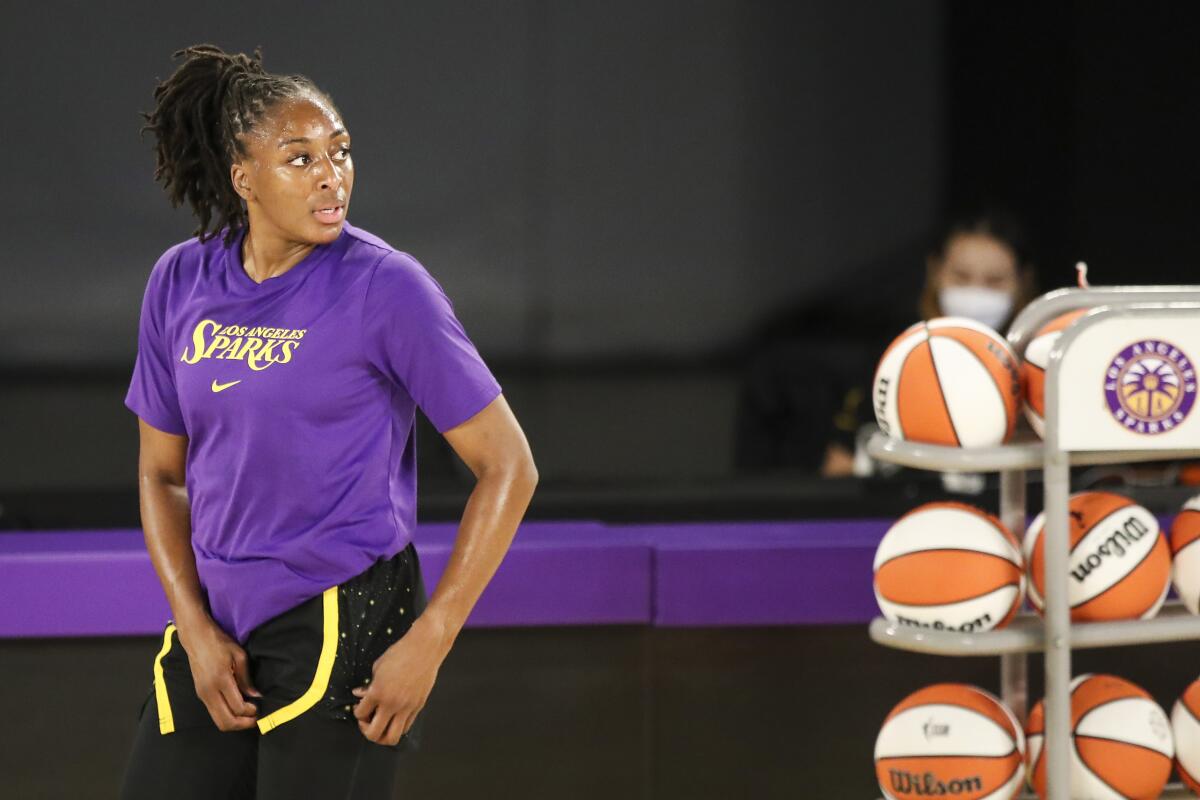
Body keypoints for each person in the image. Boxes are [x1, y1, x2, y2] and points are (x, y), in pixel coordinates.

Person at [119, 45, 538, 799]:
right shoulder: (180, 280)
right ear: (242, 177)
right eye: (299, 157)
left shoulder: (387, 286)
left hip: (345, 618)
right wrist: (196, 627)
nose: (329, 174)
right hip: (217, 628)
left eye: (340, 152)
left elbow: (508, 466)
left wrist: (432, 639)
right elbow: (159, 474)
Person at [734, 210, 1036, 477]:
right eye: (961, 276)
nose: (976, 293)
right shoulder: (889, 356)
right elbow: (838, 463)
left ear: (1023, 281)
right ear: (935, 270)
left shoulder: (1037, 370)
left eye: (995, 281)